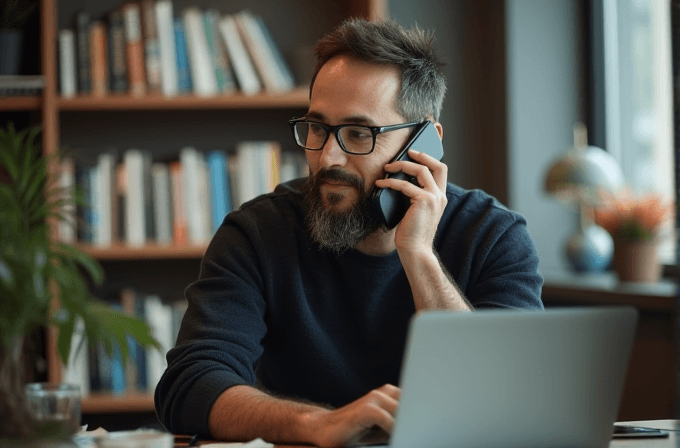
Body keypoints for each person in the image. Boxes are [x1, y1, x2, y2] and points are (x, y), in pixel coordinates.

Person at [155, 18, 543, 447]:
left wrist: (418, 255)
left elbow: (508, 400)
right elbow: (190, 385)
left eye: (359, 133)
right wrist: (317, 424)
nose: (327, 158)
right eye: (318, 128)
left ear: (425, 142)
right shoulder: (256, 234)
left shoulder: (493, 235)